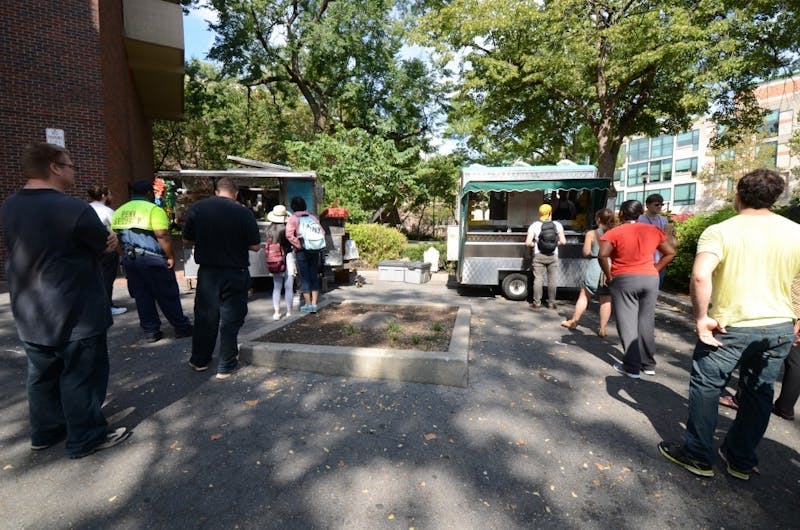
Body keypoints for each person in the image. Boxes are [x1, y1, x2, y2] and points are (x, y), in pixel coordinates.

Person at [658, 169, 800, 480]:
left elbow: (700, 274)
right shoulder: (795, 232)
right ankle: (740, 459)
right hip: (778, 327)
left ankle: (697, 454)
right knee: (758, 394)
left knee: (707, 387)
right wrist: (797, 316)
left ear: (738, 194)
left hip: (730, 325)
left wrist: (700, 318)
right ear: (775, 199)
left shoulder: (721, 231)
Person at [2, 143, 131, 458]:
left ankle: (46, 431)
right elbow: (102, 246)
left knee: (42, 373)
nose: (74, 170)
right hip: (74, 309)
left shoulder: (9, 206)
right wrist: (111, 241)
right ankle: (86, 437)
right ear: (54, 167)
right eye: (70, 165)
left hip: (29, 309)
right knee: (81, 375)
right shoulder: (73, 209)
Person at [182, 178, 261, 379]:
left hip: (208, 272)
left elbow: (186, 239)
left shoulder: (198, 208)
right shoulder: (244, 212)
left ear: (216, 191)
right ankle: (226, 364)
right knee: (231, 319)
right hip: (236, 272)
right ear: (235, 193)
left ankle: (200, 360)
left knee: (205, 316)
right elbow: (255, 245)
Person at [598, 200, 675, 378]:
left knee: (627, 322)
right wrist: (655, 269)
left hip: (624, 278)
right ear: (640, 213)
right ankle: (648, 364)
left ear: (622, 214)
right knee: (646, 321)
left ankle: (631, 366)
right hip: (649, 278)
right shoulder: (653, 230)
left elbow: (602, 255)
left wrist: (609, 276)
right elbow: (670, 252)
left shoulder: (614, 232)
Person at [111, 180, 193, 343]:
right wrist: (170, 256)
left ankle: (151, 331)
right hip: (152, 259)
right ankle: (181, 327)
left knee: (142, 295)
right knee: (167, 293)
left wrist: (124, 255)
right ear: (149, 193)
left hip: (131, 259)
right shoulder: (153, 210)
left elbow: (115, 239)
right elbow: (162, 234)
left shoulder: (120, 210)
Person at [718, 274, 800, 421]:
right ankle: (785, 407)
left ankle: (741, 399)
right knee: (796, 362)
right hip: (791, 313)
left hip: (783, 310)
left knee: (757, 354)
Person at [561, 208, 616, 336]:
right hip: (610, 267)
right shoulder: (615, 232)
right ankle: (602, 328)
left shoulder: (591, 234)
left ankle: (574, 321)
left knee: (584, 295)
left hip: (595, 266)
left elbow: (586, 252)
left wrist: (593, 251)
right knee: (606, 299)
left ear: (598, 219)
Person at [88, 185, 128, 316]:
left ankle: (96, 306)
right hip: (107, 249)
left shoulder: (86, 209)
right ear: (104, 196)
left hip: (90, 250)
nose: (112, 196)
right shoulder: (108, 211)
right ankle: (108, 306)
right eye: (110, 194)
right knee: (107, 279)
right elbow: (116, 230)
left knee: (94, 278)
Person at [286, 196, 326, 313]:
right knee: (313, 274)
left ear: (293, 207)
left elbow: (289, 235)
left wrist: (298, 245)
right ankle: (314, 304)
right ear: (305, 206)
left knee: (304, 277)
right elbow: (322, 232)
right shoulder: (312, 217)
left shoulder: (293, 219)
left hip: (302, 251)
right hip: (314, 249)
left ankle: (308, 304)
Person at [525, 203, 567, 309]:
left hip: (539, 255)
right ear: (550, 212)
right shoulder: (557, 225)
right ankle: (551, 303)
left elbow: (527, 243)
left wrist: (535, 244)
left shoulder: (534, 226)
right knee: (552, 280)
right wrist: (555, 244)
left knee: (538, 279)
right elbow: (563, 241)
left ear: (540, 213)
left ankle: (537, 303)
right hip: (553, 255)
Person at [637, 193, 677, 286]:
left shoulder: (663, 219)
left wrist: (672, 233)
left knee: (657, 286)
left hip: (662, 258)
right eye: (656, 204)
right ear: (647, 205)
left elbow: (668, 236)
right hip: (646, 259)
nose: (659, 206)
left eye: (661, 204)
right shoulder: (641, 219)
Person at [265, 204, 296, 320]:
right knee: (288, 286)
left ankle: (276, 312)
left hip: (274, 259)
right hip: (287, 257)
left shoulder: (268, 229)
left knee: (276, 286)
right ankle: (289, 311)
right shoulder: (286, 229)